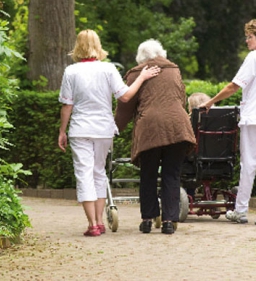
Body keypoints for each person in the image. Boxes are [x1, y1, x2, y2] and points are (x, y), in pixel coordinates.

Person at [58, 29, 160, 237]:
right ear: (98, 45)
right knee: (99, 173)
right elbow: (125, 96)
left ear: (77, 47)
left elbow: (67, 105)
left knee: (83, 174)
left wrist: (62, 131)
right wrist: (141, 77)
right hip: (103, 129)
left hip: (80, 129)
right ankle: (100, 222)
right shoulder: (108, 69)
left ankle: (93, 223)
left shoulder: (71, 72)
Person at [200, 19, 256, 226]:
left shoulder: (255, 57)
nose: (247, 41)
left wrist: (210, 102)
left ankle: (240, 211)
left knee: (248, 164)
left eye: (250, 37)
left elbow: (234, 86)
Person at [115, 39, 196, 234]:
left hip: (150, 128)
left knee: (148, 173)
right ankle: (169, 220)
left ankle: (147, 219)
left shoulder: (136, 73)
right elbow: (181, 98)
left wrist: (115, 128)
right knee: (171, 174)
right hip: (177, 126)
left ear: (141, 58)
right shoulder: (174, 70)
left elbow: (125, 107)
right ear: (161, 54)